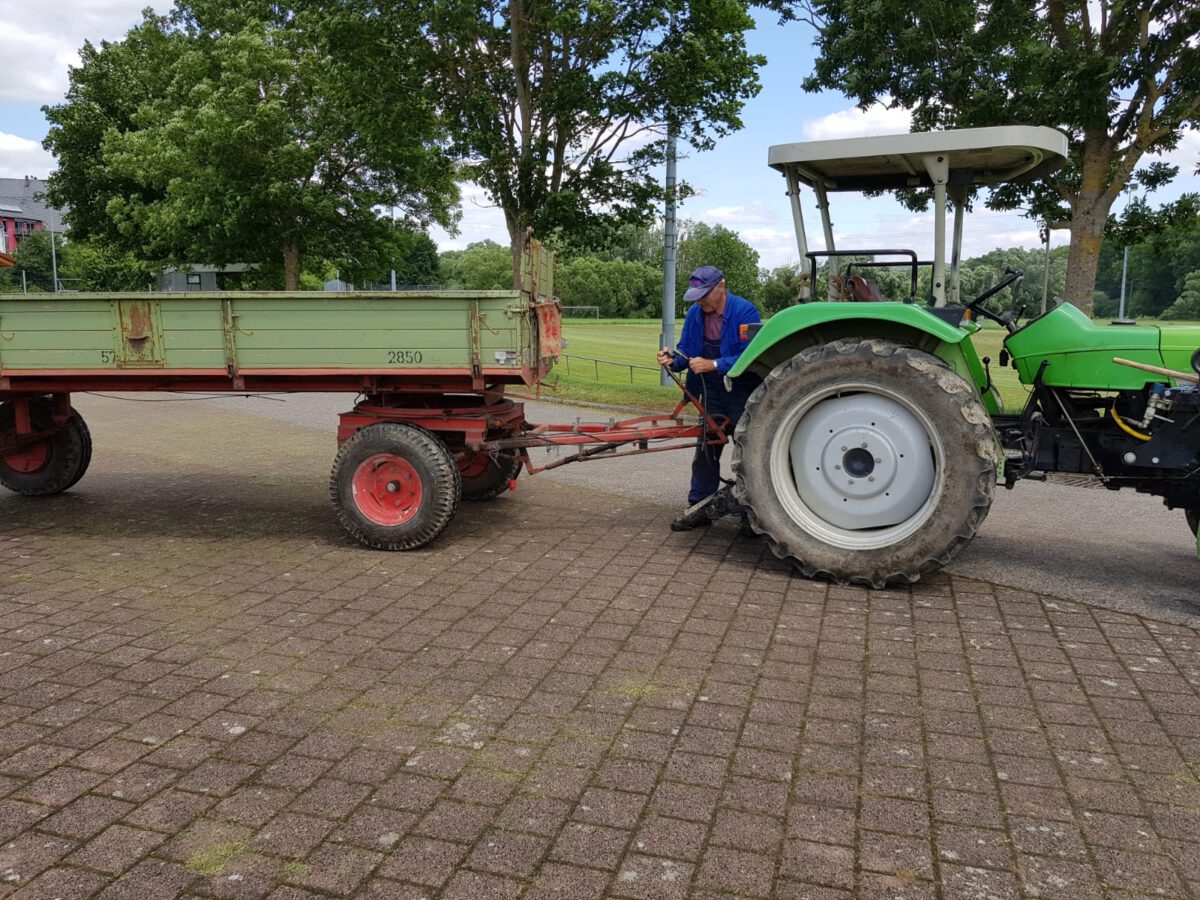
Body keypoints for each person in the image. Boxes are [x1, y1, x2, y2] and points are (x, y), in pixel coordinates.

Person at [656, 265, 762, 531]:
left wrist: (713, 365)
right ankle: (699, 505)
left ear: (721, 287)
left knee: (750, 450)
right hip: (711, 391)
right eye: (696, 295)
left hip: (741, 391)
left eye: (704, 294)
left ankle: (754, 515)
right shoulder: (695, 314)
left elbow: (751, 356)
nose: (700, 300)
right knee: (706, 448)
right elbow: (686, 351)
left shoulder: (745, 312)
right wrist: (672, 358)